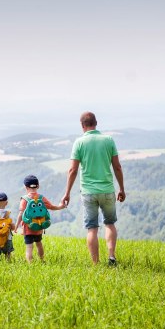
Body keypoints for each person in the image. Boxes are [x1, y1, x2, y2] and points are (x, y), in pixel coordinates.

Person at [61, 111, 126, 266]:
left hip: (88, 192)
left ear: (82, 125)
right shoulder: (108, 140)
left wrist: (67, 193)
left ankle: (96, 264)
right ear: (96, 123)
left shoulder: (79, 143)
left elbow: (73, 170)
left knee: (92, 228)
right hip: (107, 190)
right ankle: (111, 257)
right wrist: (121, 189)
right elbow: (117, 166)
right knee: (109, 224)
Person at [15, 175, 65, 262]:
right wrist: (60, 207)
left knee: (29, 246)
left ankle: (30, 264)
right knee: (39, 244)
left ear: (25, 187)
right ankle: (42, 260)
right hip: (39, 226)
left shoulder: (24, 199)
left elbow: (21, 214)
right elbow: (51, 207)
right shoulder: (41, 198)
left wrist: (16, 226)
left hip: (28, 227)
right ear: (38, 186)